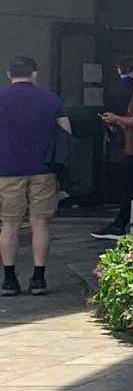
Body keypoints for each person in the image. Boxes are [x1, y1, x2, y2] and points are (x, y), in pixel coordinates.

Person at [0, 56, 73, 297]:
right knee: (39, 223)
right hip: (44, 168)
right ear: (34, 74)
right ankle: (39, 279)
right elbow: (66, 133)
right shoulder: (50, 99)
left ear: (9, 74)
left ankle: (9, 279)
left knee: (9, 224)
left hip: (7, 170)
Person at [93, 59, 133, 240]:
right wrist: (118, 122)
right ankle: (121, 224)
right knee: (131, 189)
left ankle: (120, 225)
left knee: (130, 189)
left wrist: (115, 118)